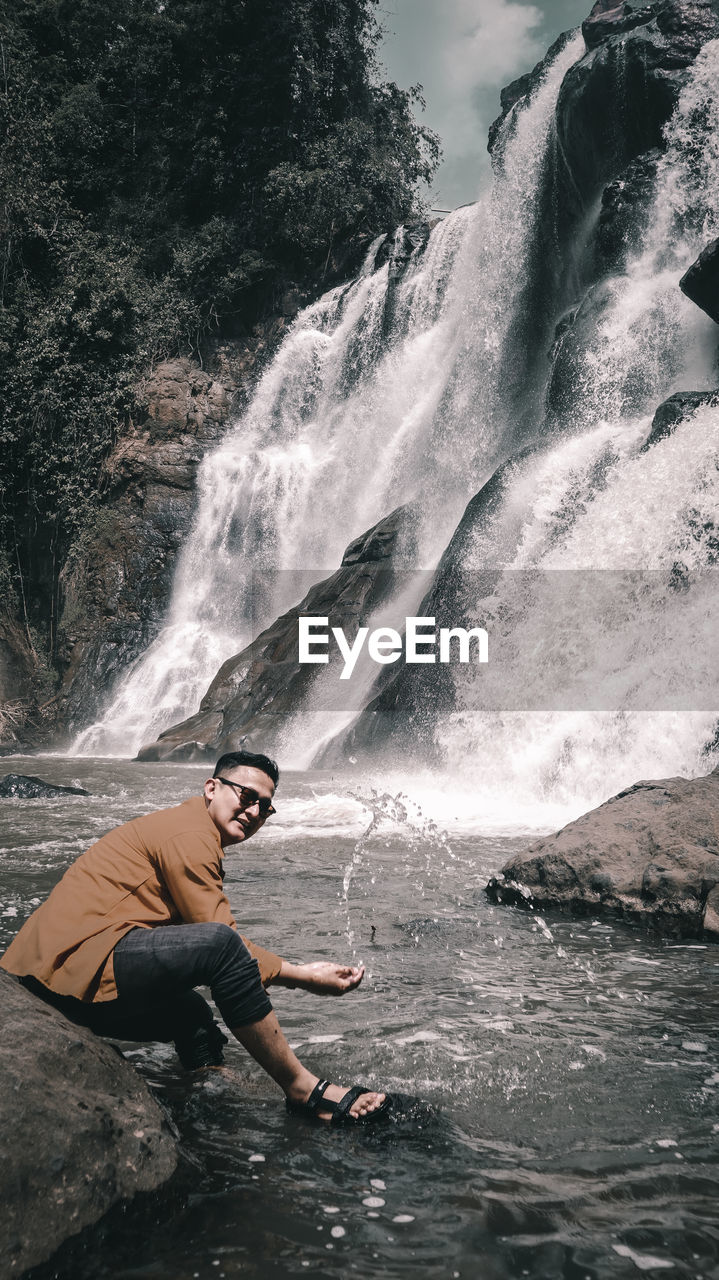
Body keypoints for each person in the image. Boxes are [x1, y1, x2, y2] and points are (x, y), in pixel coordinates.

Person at [0, 750, 387, 1125]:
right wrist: (302, 976)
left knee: (192, 1016)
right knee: (220, 946)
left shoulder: (188, 830)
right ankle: (303, 1088)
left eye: (265, 806)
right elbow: (222, 943)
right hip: (69, 966)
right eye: (246, 796)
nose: (254, 812)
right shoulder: (189, 834)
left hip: (59, 978)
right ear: (211, 788)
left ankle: (208, 1098)